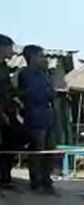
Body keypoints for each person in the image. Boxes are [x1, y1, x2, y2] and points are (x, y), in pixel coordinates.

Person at [18, 45, 56, 194]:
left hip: (47, 117)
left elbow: (51, 94)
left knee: (49, 150)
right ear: (32, 58)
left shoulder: (44, 74)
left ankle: (47, 180)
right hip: (34, 117)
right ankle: (36, 181)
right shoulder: (25, 74)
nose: (44, 59)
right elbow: (31, 95)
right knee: (37, 151)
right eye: (41, 56)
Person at [0, 34, 16, 190]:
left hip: (7, 112)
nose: (12, 51)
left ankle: (5, 177)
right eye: (9, 48)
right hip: (1, 113)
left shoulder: (5, 67)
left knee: (9, 144)